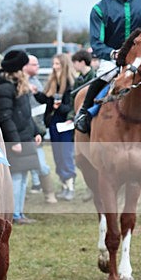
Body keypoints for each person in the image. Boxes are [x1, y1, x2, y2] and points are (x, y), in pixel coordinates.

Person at [74, 0, 141, 133]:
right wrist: (113, 54)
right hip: (113, 61)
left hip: (140, 61)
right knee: (104, 76)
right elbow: (97, 43)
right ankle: (85, 112)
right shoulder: (100, 8)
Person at [0, 49, 41, 224]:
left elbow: (25, 114)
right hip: (16, 139)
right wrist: (14, 140)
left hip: (25, 136)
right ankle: (13, 214)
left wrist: (35, 131)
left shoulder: (19, 86)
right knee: (16, 178)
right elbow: (4, 116)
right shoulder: (4, 88)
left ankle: (19, 213)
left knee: (23, 178)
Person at [23, 54, 57, 204]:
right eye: (34, 64)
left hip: (36, 128)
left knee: (41, 164)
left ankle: (48, 192)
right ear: (25, 66)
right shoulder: (18, 83)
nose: (37, 67)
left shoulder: (36, 81)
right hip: (23, 129)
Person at [42, 54, 77, 201]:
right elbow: (46, 100)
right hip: (54, 124)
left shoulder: (71, 83)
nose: (55, 66)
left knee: (65, 155)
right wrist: (35, 92)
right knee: (57, 156)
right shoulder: (52, 81)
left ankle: (70, 187)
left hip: (66, 125)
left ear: (64, 65)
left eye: (57, 64)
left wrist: (60, 107)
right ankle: (64, 185)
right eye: (54, 63)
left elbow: (71, 107)